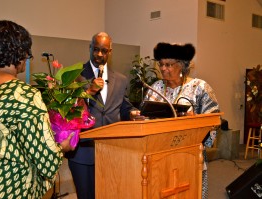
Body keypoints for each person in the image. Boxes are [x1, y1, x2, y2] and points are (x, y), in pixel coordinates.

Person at [0, 20, 74, 199]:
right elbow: (47, 161)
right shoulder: (22, 93)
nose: (28, 56)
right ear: (16, 51)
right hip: (9, 186)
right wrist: (63, 147)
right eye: (26, 50)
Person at [65, 32, 140, 199]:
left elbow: (123, 107)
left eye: (104, 51)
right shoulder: (74, 75)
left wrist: (133, 113)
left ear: (110, 52)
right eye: (96, 49)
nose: (99, 54)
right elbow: (65, 109)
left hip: (111, 150)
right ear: (90, 47)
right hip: (82, 151)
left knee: (109, 193)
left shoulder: (120, 79)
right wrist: (89, 91)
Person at [143, 42, 220, 199]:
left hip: (190, 155)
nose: (163, 68)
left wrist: (195, 121)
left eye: (169, 64)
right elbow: (146, 117)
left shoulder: (199, 87)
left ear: (183, 66)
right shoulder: (156, 87)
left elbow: (214, 120)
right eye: (161, 64)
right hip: (159, 155)